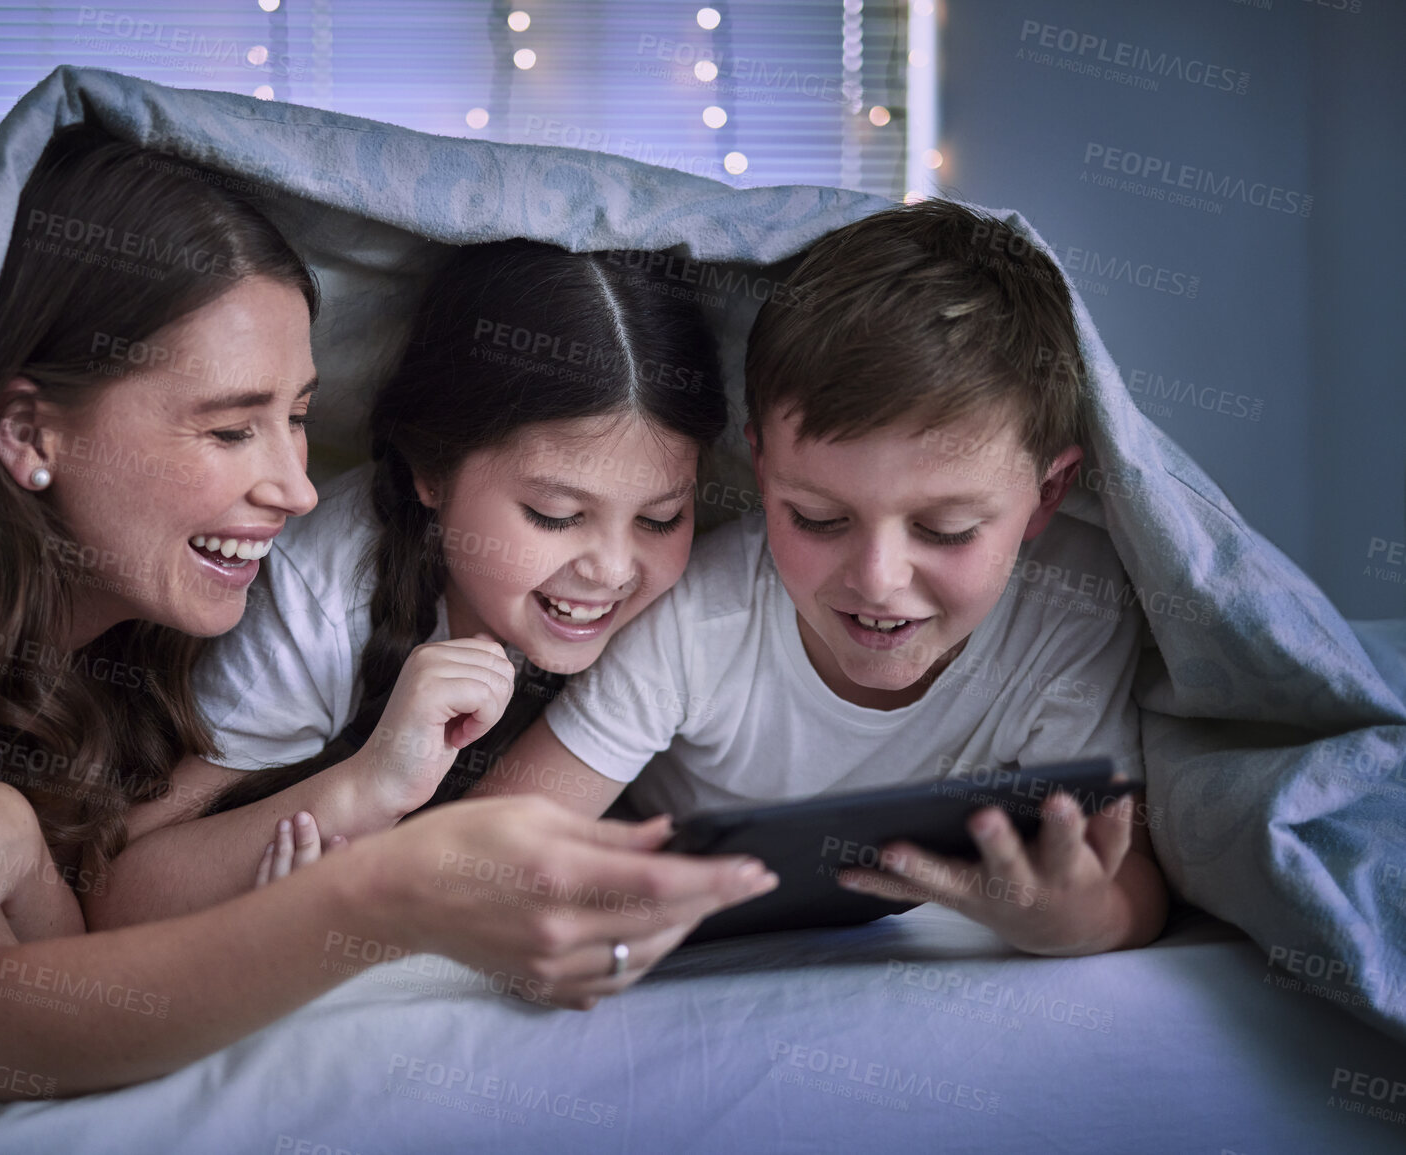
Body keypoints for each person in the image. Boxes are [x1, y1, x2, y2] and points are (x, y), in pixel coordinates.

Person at [0, 124, 778, 1100]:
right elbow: (7, 1029)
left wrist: (11, 832)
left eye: (298, 419)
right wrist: (388, 881)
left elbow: (77, 942)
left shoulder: (153, 624)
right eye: (233, 429)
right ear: (29, 432)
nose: (295, 490)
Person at [471, 200, 1170, 958]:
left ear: (1048, 494)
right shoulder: (701, 615)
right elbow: (488, 844)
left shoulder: (1074, 602)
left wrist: (1080, 921)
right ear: (761, 470)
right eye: (816, 517)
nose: (876, 580)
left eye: (945, 530)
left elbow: (1123, 870)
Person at [87, 238, 733, 926]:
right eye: (555, 514)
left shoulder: (687, 599)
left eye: (661, 518)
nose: (610, 568)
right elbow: (117, 888)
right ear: (431, 470)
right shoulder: (327, 597)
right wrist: (367, 785)